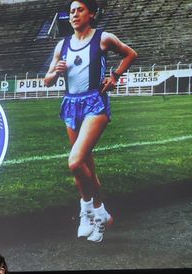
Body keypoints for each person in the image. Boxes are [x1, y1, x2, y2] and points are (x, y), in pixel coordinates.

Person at [43, 0, 136, 243]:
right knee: (85, 168)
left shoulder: (103, 38)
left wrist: (115, 76)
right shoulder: (62, 45)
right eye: (72, 11)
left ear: (91, 14)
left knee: (75, 162)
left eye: (80, 10)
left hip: (95, 103)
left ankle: (91, 210)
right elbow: (47, 80)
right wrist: (56, 72)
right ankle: (97, 214)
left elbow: (130, 54)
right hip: (71, 105)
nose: (74, 14)